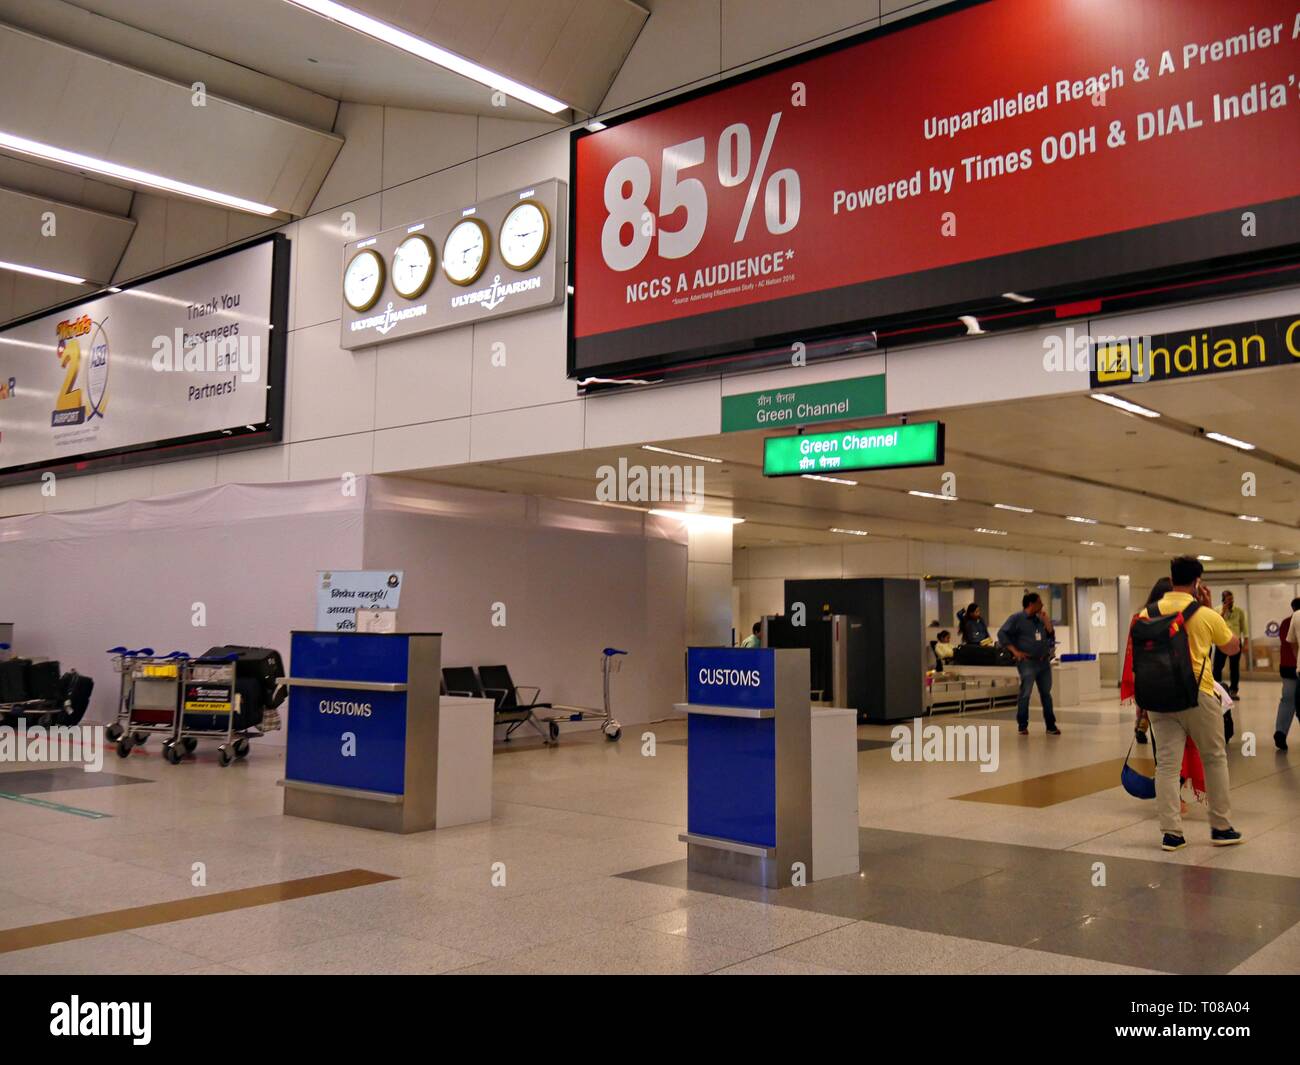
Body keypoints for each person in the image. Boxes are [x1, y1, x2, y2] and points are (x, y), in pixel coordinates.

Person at [1140, 556, 1243, 851]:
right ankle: (1221, 828)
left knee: (1168, 766)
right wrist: (1211, 612)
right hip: (1198, 694)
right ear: (1197, 582)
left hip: (1159, 695)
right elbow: (1232, 648)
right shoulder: (1204, 613)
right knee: (1214, 757)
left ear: (1171, 580)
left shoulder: (1146, 612)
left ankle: (1171, 833)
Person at [1123, 576, 1205, 810]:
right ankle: (1173, 797)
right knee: (1175, 748)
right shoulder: (1176, 619)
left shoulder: (1141, 619)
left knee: (1165, 749)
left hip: (1153, 690)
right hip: (1176, 690)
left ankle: (1172, 797)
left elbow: (1134, 659)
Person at [998, 592, 1059, 736]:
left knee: (1046, 694)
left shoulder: (1039, 619)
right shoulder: (1017, 619)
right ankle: (1022, 725)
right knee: (1026, 693)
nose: (1042, 605)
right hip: (1027, 662)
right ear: (1031, 604)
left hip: (1043, 662)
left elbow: (1051, 635)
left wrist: (1047, 622)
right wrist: (1015, 651)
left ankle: (1051, 726)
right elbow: (1002, 634)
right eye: (1039, 602)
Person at [1274, 597, 1300, 750]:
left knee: (1287, 700)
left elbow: (1287, 641)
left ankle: (1280, 732)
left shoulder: (1285, 623)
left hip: (1287, 666)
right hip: (1297, 665)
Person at [1213, 590, 1247, 697]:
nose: (1231, 601)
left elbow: (1244, 628)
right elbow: (1216, 623)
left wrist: (1245, 643)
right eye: (1228, 600)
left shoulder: (1239, 611)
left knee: (1234, 667)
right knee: (1218, 666)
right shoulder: (1217, 610)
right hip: (1221, 642)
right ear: (1223, 600)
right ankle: (1218, 689)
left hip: (1235, 643)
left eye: (1232, 599)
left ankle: (1233, 690)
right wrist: (1223, 611)